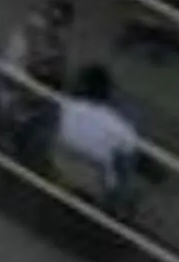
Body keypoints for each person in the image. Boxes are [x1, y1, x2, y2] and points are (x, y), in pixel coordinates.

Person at [54, 64, 142, 203]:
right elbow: (126, 168)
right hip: (96, 189)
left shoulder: (63, 107)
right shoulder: (120, 127)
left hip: (59, 172)